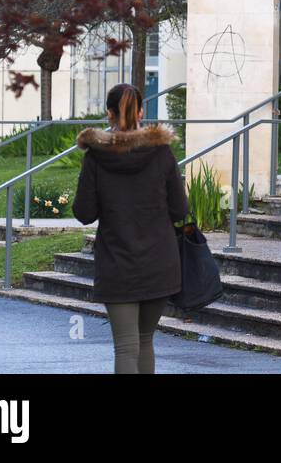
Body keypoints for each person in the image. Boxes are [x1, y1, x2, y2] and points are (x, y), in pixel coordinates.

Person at [73, 83, 188, 374]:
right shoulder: (161, 153)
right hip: (160, 260)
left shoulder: (95, 157)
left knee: (125, 346)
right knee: (145, 340)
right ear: (140, 111)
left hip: (117, 262)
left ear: (109, 113)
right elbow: (180, 210)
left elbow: (84, 214)